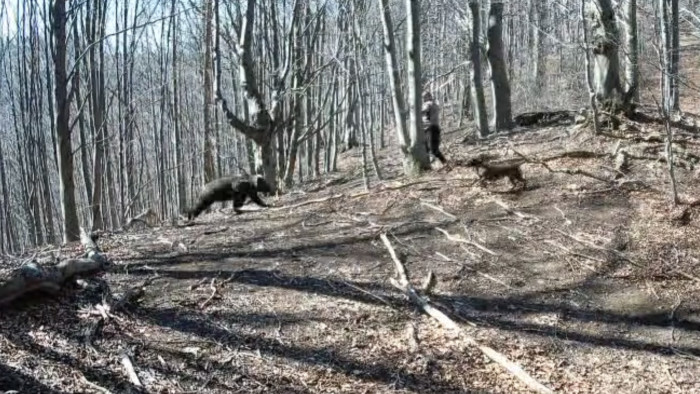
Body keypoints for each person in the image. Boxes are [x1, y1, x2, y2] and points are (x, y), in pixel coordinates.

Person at [421, 91, 447, 164]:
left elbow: (422, 111)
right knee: (426, 149)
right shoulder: (430, 104)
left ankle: (445, 163)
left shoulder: (430, 104)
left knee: (433, 150)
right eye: (422, 97)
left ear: (429, 96)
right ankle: (429, 166)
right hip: (427, 129)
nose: (423, 99)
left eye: (425, 97)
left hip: (432, 129)